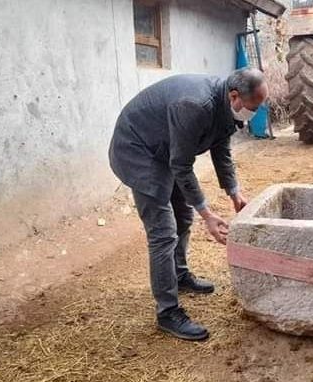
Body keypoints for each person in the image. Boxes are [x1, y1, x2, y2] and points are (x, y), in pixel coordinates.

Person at [109, 68, 268, 341]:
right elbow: (181, 166)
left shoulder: (225, 106)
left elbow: (221, 149)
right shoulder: (194, 105)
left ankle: (179, 275)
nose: (254, 113)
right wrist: (207, 214)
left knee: (182, 217)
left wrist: (234, 193)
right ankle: (167, 312)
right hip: (137, 150)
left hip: (164, 149)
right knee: (163, 233)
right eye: (253, 107)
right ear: (234, 96)